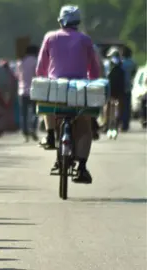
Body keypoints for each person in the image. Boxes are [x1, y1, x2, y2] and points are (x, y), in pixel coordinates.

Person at [36, 5, 100, 184]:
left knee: (45, 95)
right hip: (80, 88)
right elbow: (94, 69)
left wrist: (43, 78)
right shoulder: (85, 40)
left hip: (57, 87)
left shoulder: (50, 37)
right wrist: (93, 81)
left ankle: (50, 134)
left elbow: (41, 67)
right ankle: (82, 167)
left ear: (60, 21)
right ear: (77, 22)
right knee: (84, 127)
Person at [17, 45, 39, 142]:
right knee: (35, 112)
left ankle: (25, 132)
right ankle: (33, 129)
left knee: (24, 114)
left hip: (22, 90)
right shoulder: (36, 61)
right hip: (34, 90)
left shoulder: (20, 62)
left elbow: (18, 76)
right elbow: (38, 74)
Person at [121, 46, 137, 131]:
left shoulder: (121, 63)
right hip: (128, 86)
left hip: (119, 87)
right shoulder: (132, 63)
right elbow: (134, 73)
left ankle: (119, 122)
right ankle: (125, 124)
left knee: (120, 105)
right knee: (127, 106)